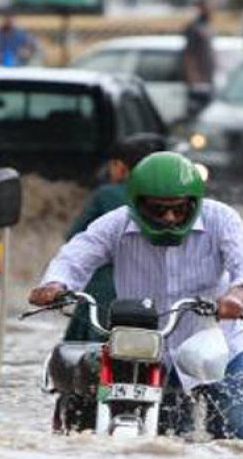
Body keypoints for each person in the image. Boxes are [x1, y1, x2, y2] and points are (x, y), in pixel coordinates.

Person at [29, 151, 243, 440]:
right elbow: (74, 257)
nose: (169, 217)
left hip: (218, 345)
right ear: (137, 204)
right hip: (149, 353)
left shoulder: (221, 219)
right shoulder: (115, 224)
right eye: (158, 209)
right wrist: (55, 285)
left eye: (179, 210)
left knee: (236, 436)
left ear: (194, 202)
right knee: (166, 441)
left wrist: (237, 295)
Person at [62, 132, 170, 343]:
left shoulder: (106, 194)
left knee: (89, 352)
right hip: (158, 293)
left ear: (120, 167)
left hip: (106, 291)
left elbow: (75, 238)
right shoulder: (177, 200)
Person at [181, 0, 216, 119]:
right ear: (200, 7)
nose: (211, 9)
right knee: (196, 115)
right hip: (198, 81)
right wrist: (193, 78)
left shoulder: (208, 26)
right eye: (208, 6)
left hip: (208, 79)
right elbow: (188, 55)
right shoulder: (194, 27)